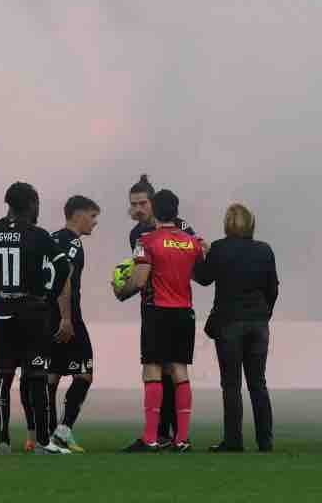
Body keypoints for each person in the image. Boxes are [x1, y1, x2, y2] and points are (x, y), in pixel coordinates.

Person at [0, 182, 73, 455]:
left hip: (2, 312)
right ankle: (42, 442)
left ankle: (2, 441)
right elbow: (62, 265)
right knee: (36, 375)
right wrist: (48, 296)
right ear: (32, 204)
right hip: (31, 313)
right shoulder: (38, 235)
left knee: (2, 374)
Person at [115, 188, 205, 453]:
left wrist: (121, 290)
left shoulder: (147, 240)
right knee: (180, 371)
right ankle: (182, 439)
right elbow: (202, 268)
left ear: (154, 207)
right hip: (185, 311)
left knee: (152, 370)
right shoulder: (191, 242)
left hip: (157, 311)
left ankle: (151, 437)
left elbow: (141, 279)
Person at [195, 203, 278, 453]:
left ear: (228, 224)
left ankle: (233, 440)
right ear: (251, 223)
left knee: (231, 385)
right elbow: (272, 288)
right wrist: (264, 315)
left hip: (229, 323)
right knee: (258, 383)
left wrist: (202, 255)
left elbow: (204, 278)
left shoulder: (220, 248)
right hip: (258, 324)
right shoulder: (265, 250)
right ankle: (265, 441)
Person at [46, 195, 99, 453]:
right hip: (67, 315)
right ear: (78, 215)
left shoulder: (51, 238)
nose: (95, 222)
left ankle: (47, 434)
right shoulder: (73, 243)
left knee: (53, 373)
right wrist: (66, 318)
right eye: (92, 216)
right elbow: (64, 278)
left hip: (46, 315)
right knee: (84, 372)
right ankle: (62, 432)